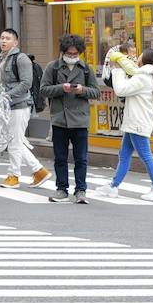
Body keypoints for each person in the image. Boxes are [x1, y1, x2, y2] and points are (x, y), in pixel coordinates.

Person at [96, 47, 153, 201]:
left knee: (145, 155)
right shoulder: (148, 76)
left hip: (137, 122)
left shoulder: (143, 77)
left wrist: (118, 70)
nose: (137, 57)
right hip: (135, 121)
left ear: (145, 59)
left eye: (140, 55)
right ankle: (113, 186)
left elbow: (121, 90)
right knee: (124, 154)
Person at [43, 33, 100, 202]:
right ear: (63, 52)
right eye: (69, 53)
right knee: (60, 157)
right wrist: (61, 88)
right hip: (59, 119)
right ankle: (61, 189)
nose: (72, 56)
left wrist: (82, 90)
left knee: (81, 158)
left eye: (75, 54)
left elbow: (96, 92)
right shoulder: (53, 67)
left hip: (80, 120)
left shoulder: (86, 69)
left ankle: (81, 190)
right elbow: (43, 90)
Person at [0, 28, 50, 187]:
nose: (3, 41)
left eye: (8, 38)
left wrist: (6, 95)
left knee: (14, 142)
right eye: (2, 38)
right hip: (7, 107)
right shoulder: (3, 58)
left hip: (20, 105)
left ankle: (14, 176)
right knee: (16, 141)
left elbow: (26, 83)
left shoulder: (21, 58)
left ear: (15, 42)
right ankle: (39, 171)